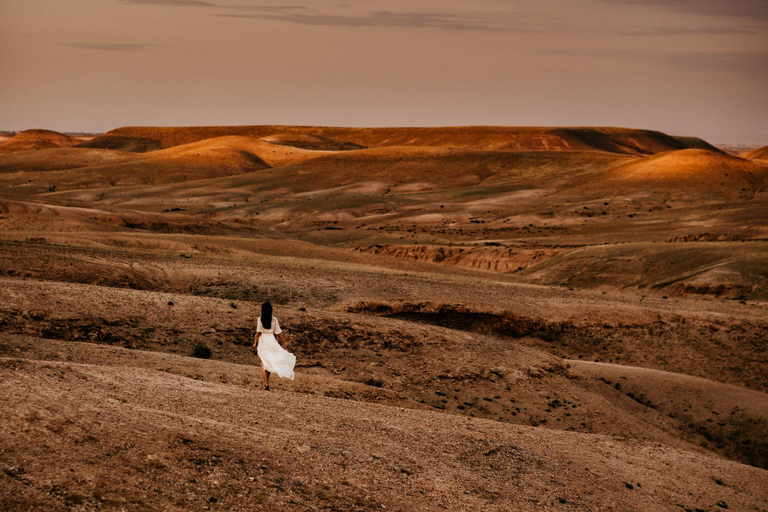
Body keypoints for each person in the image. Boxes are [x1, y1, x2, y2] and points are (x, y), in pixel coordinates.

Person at [252, 302, 295, 390]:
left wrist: (255, 343)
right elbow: (278, 332)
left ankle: (266, 383)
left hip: (263, 342)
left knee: (264, 363)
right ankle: (266, 383)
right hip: (272, 341)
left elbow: (258, 332)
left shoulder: (260, 319)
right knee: (269, 361)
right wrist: (284, 341)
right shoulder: (274, 320)